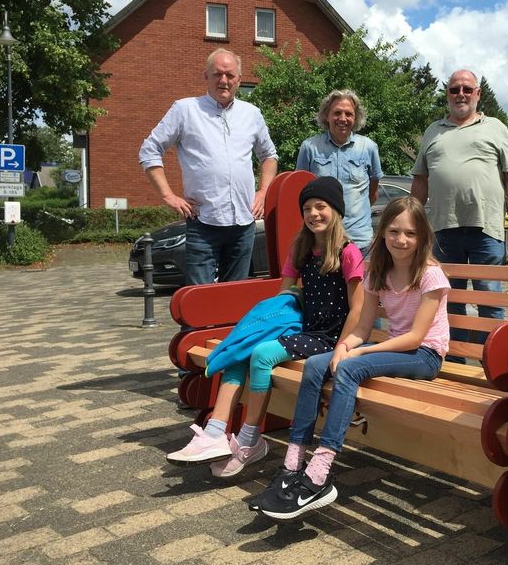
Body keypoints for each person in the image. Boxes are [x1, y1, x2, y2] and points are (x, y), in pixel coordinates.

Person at [253, 196, 450, 519]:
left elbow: (415, 338)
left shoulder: (430, 275)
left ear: (423, 236)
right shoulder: (378, 274)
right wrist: (345, 345)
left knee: (349, 369)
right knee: (317, 365)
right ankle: (293, 461)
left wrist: (358, 352)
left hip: (424, 355)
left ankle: (320, 471)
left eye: (411, 234)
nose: (401, 240)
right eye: (394, 231)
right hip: (395, 350)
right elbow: (361, 326)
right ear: (382, 232)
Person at [165, 177, 365, 477]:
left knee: (261, 354)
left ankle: (249, 439)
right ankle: (215, 431)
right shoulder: (302, 248)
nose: (313, 214)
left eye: (320, 207)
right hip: (305, 329)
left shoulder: (348, 253)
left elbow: (358, 309)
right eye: (307, 208)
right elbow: (284, 295)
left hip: (330, 337)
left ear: (336, 210)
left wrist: (342, 346)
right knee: (242, 352)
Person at [139, 48, 278, 285]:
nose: (224, 81)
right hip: (203, 222)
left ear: (239, 80)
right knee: (201, 300)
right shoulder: (185, 110)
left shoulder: (252, 114)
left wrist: (264, 192)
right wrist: (169, 196)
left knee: (235, 299)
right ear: (206, 76)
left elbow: (269, 155)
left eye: (230, 75)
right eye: (217, 74)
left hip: (244, 225)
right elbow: (149, 150)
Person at [411, 70, 508, 355]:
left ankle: (490, 361)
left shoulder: (496, 127)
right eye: (455, 89)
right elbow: (420, 180)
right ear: (447, 94)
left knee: (488, 299)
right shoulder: (434, 130)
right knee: (448, 298)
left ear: (478, 94)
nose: (461, 94)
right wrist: (412, 221)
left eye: (468, 89)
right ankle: (455, 358)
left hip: (487, 228)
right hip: (443, 229)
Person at [296, 89, 384, 255]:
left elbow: (372, 194)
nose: (343, 119)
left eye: (348, 114)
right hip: (323, 241)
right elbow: (301, 193)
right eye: (337, 113)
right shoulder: (310, 148)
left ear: (355, 118)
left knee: (361, 282)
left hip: (359, 242)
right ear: (326, 116)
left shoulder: (369, 147)